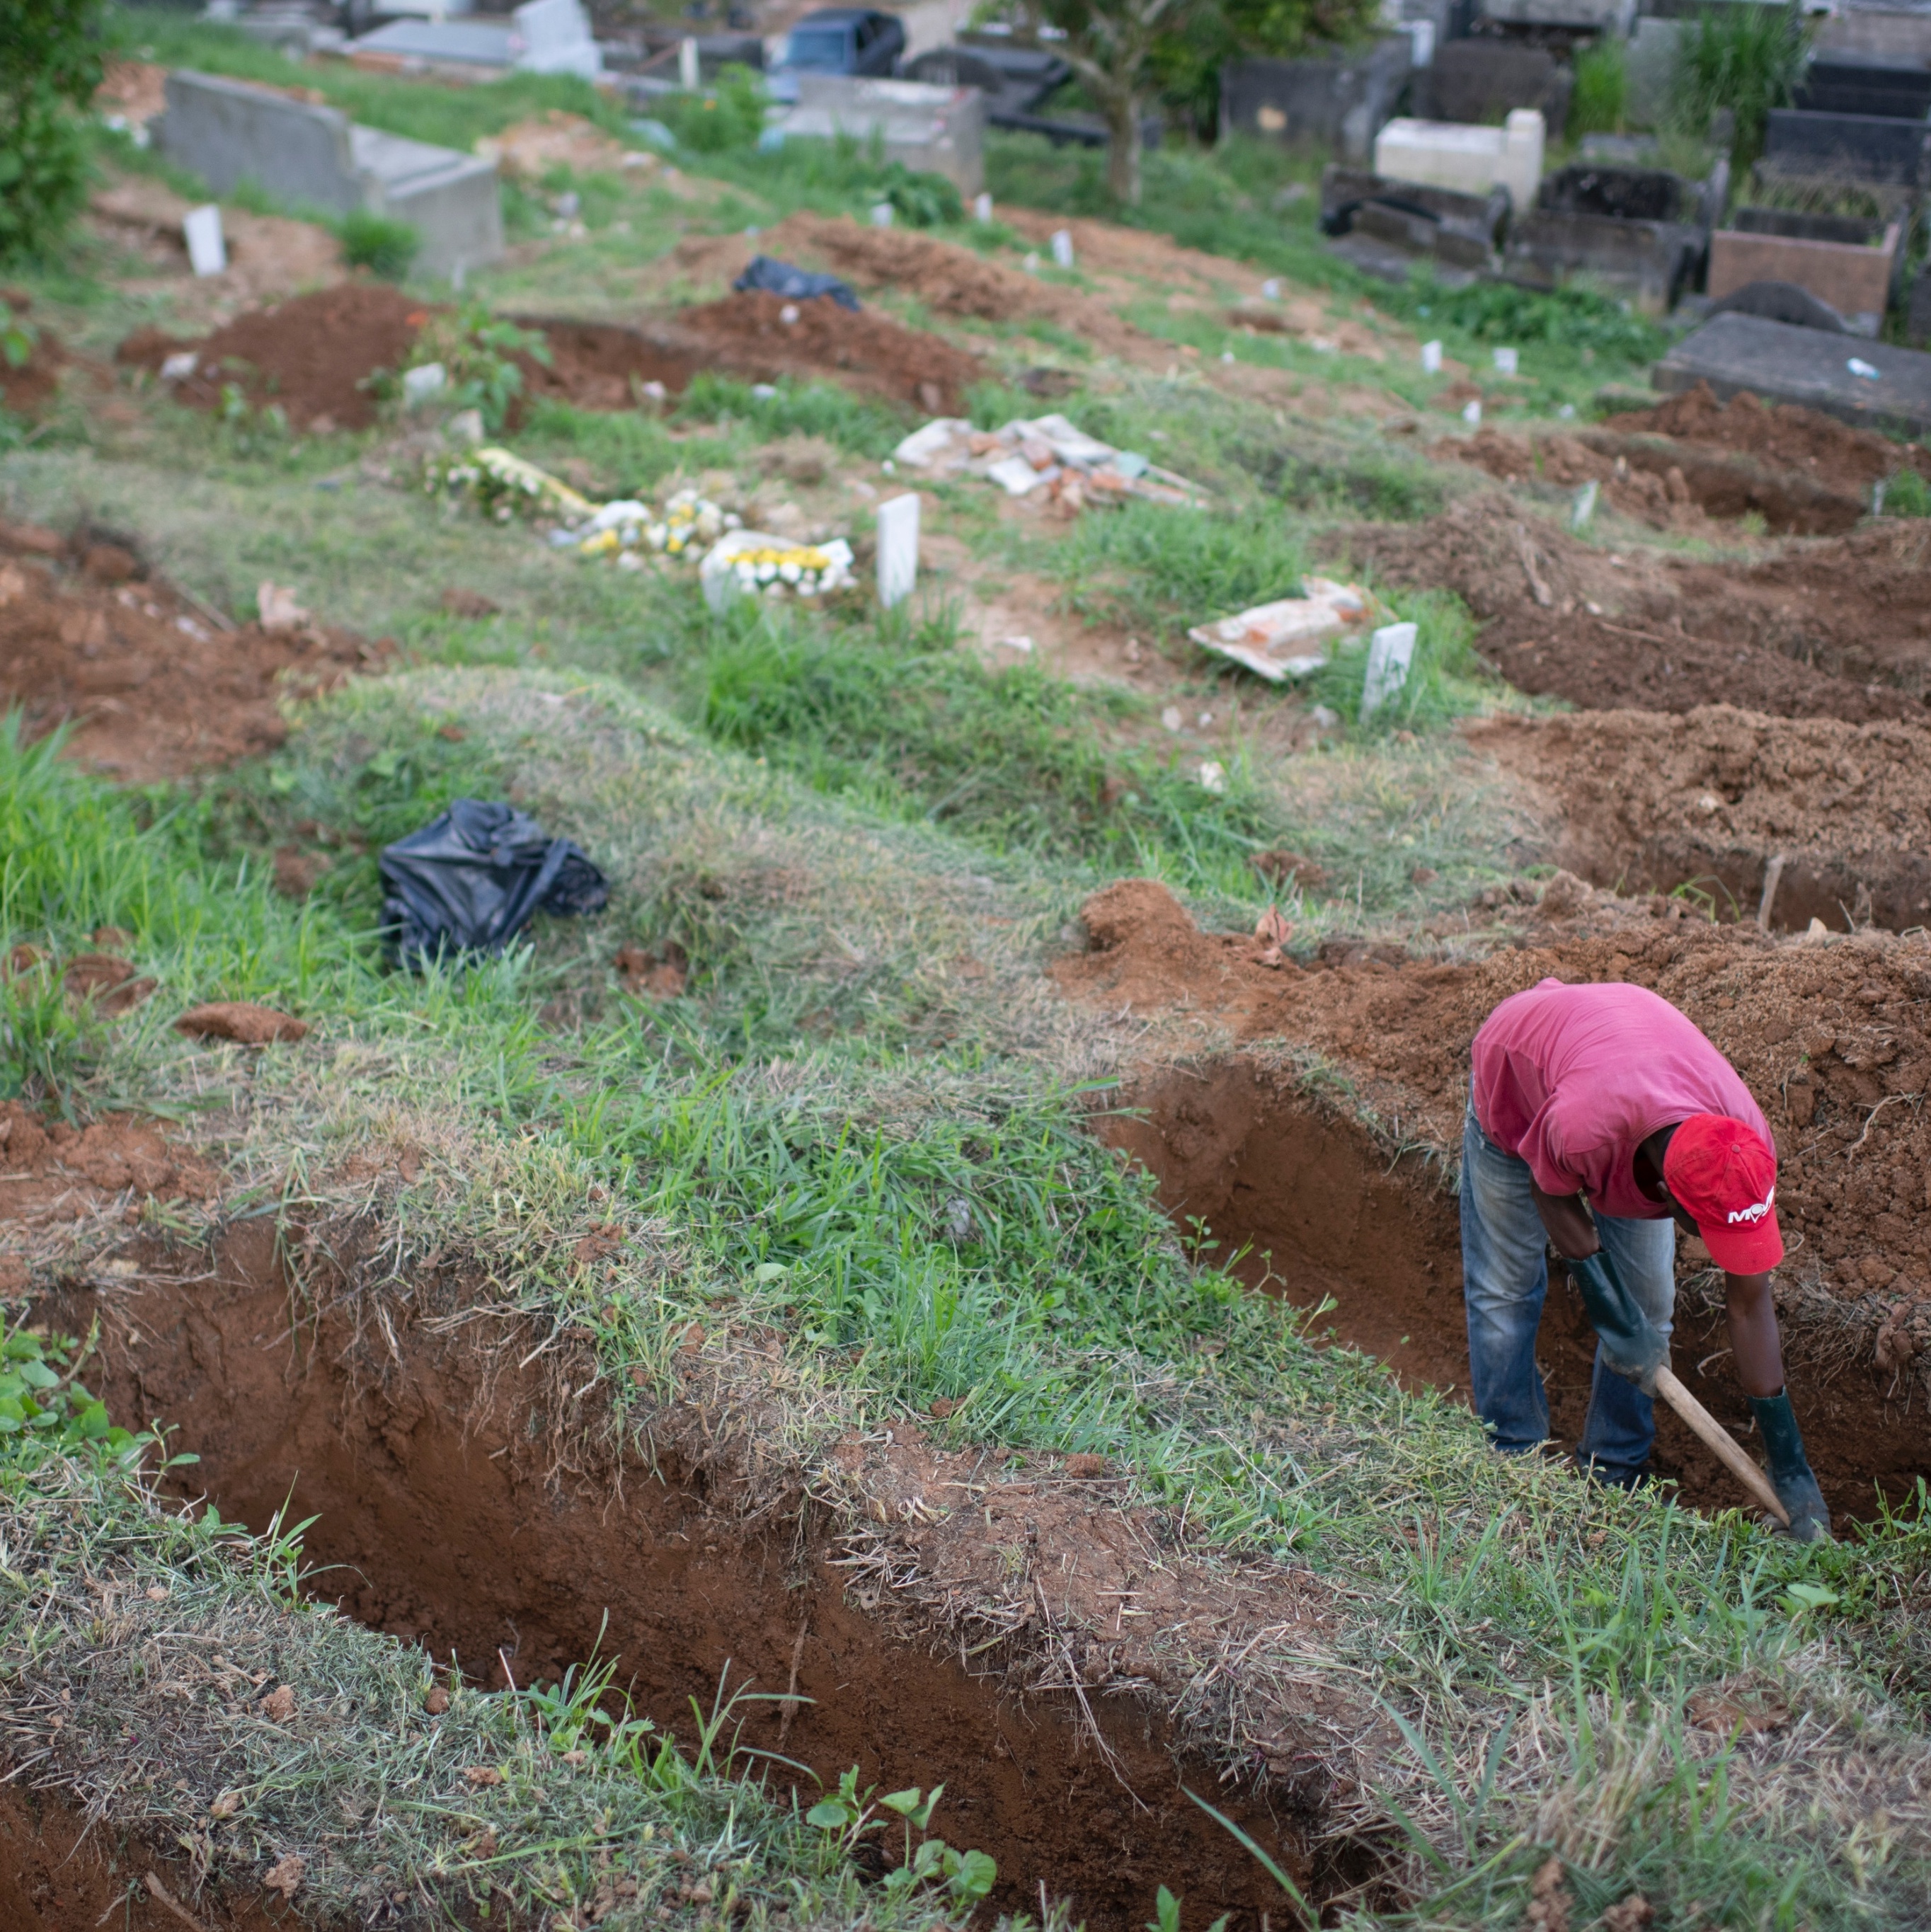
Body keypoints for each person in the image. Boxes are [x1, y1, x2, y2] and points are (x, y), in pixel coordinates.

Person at [1461, 977, 1829, 1539]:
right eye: (1703, 1230)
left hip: (1618, 1063)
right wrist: (1610, 1309)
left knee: (1650, 1309)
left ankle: (1612, 1470)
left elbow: (1751, 1307)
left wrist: (1790, 1464)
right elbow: (1550, 1190)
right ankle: (1511, 1452)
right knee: (1506, 1287)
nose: (1714, 1249)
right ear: (1664, 1193)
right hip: (1517, 1080)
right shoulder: (1583, 1131)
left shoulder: (1744, 1149)